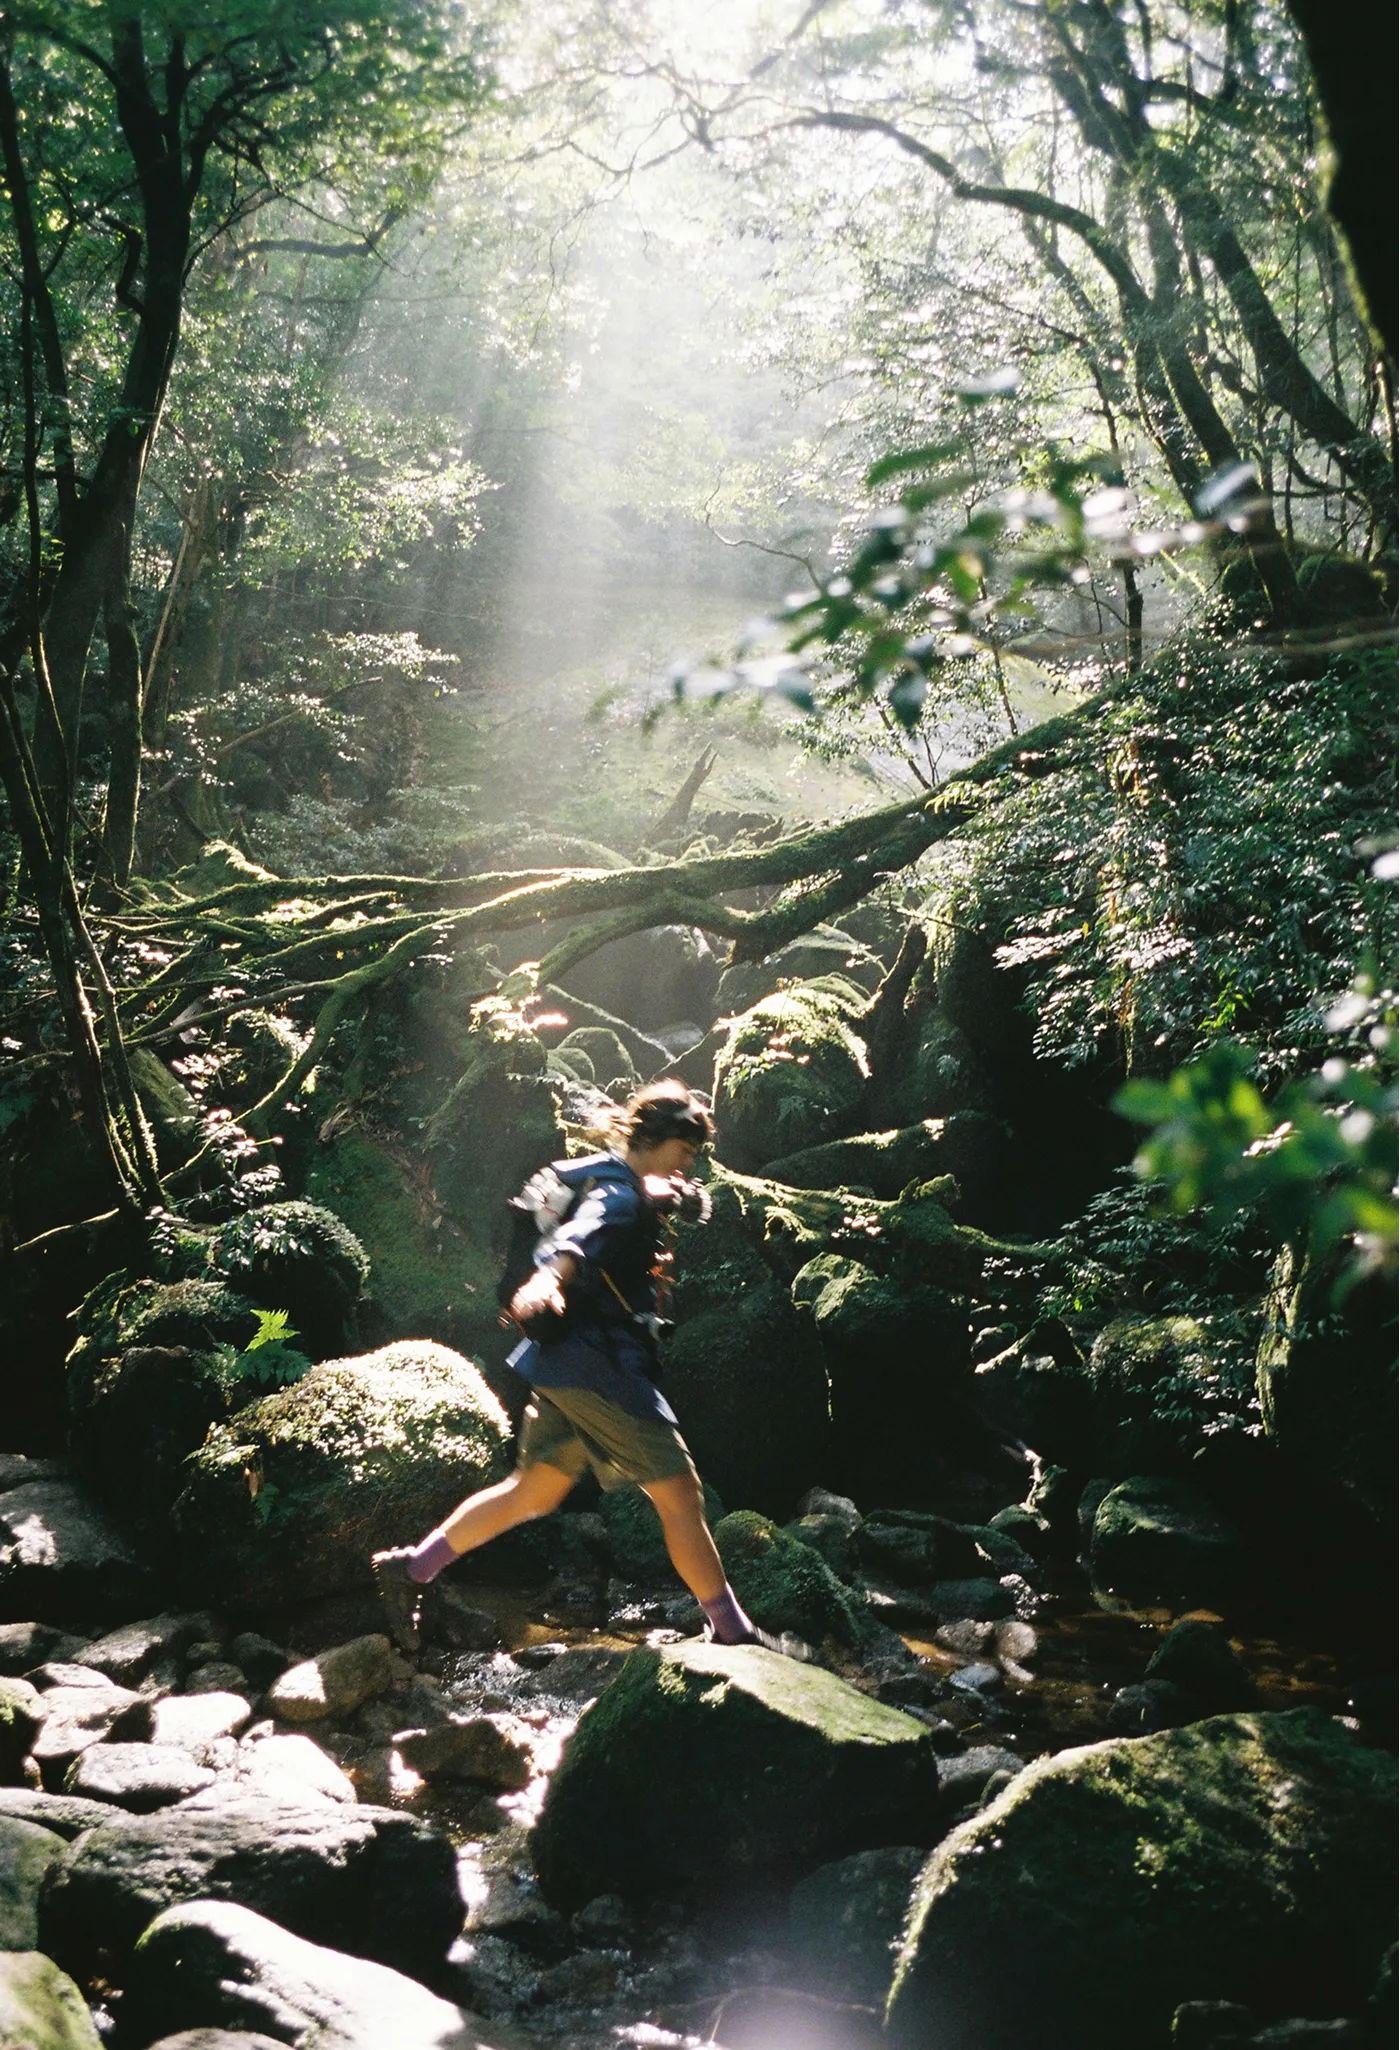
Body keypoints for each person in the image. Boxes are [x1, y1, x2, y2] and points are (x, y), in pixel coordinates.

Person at [371, 1079, 771, 1655]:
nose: (688, 1164)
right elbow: (581, 1239)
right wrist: (547, 1282)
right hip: (601, 1368)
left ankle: (412, 1569)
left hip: (562, 1364)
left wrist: (669, 1195)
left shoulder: (613, 1177)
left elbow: (615, 1206)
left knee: (532, 1491)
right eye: (684, 1152)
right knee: (681, 1494)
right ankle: (733, 1632)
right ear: (653, 1139)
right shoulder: (618, 1197)